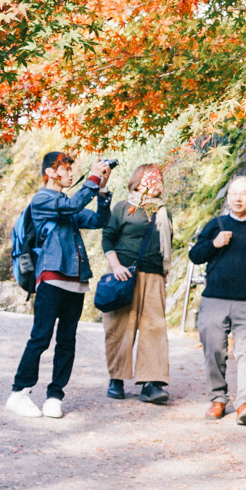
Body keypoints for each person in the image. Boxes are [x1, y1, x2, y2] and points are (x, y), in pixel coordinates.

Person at [8, 152, 113, 419]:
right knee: (41, 336)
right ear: (52, 172)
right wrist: (91, 177)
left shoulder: (67, 204)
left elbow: (99, 220)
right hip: (52, 277)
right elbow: (72, 206)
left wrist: (101, 190)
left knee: (67, 340)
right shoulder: (42, 199)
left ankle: (55, 396)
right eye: (66, 169)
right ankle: (18, 392)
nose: (69, 174)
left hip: (76, 281)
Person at [188, 175, 246, 427]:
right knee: (214, 351)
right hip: (215, 299)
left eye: (244, 193)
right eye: (233, 193)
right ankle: (218, 399)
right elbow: (195, 255)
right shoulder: (215, 224)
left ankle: (245, 403)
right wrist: (214, 244)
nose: (238, 198)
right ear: (228, 197)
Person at [101, 163, 172, 405]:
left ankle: (151, 384)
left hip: (154, 276)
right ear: (138, 181)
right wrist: (116, 266)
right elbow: (107, 238)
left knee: (154, 329)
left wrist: (164, 275)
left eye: (160, 179)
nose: (158, 183)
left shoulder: (162, 211)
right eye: (153, 178)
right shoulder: (122, 207)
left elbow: (166, 247)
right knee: (119, 327)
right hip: (124, 274)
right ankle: (116, 379)